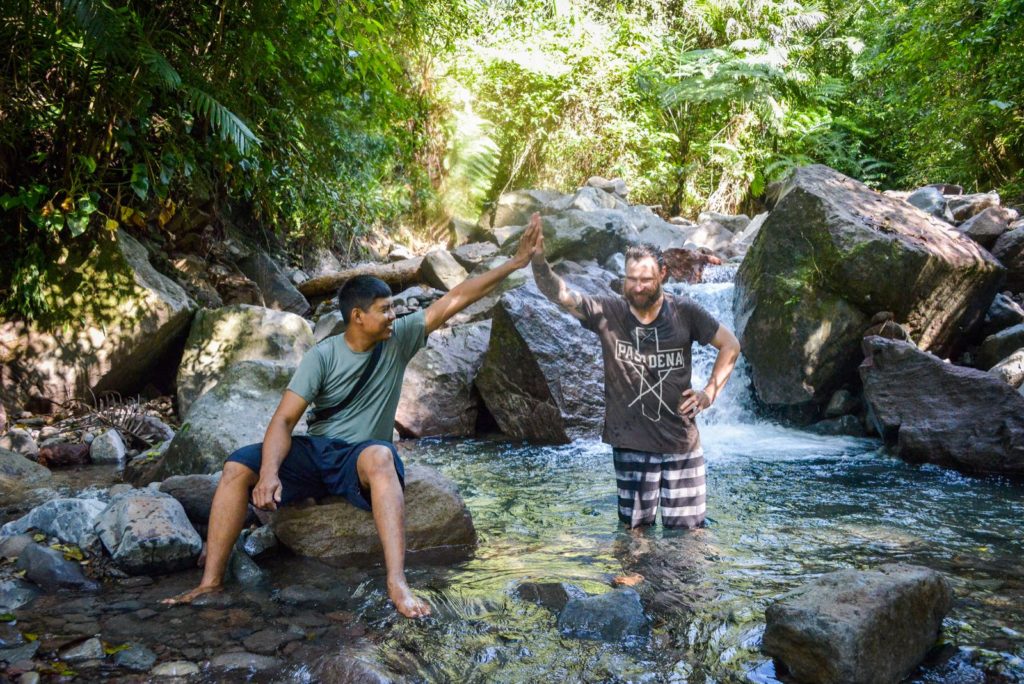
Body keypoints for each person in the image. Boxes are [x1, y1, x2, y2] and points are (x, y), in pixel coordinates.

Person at [163, 220, 541, 617]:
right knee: (237, 466)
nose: (393, 316)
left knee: (379, 457)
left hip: (360, 456)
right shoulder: (323, 356)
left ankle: (397, 582)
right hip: (318, 451)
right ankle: (210, 583)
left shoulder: (399, 340)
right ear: (357, 316)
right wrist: (271, 471)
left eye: (392, 308)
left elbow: (458, 297)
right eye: (384, 310)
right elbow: (284, 421)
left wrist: (515, 262)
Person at [529, 212, 740, 533]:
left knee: (689, 537)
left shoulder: (685, 312)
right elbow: (561, 295)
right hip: (630, 443)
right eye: (632, 279)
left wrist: (708, 394)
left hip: (681, 444)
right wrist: (538, 262)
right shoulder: (608, 311)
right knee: (634, 535)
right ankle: (634, 585)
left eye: (646, 280)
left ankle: (679, 586)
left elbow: (730, 345)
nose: (638, 287)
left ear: (663, 275)